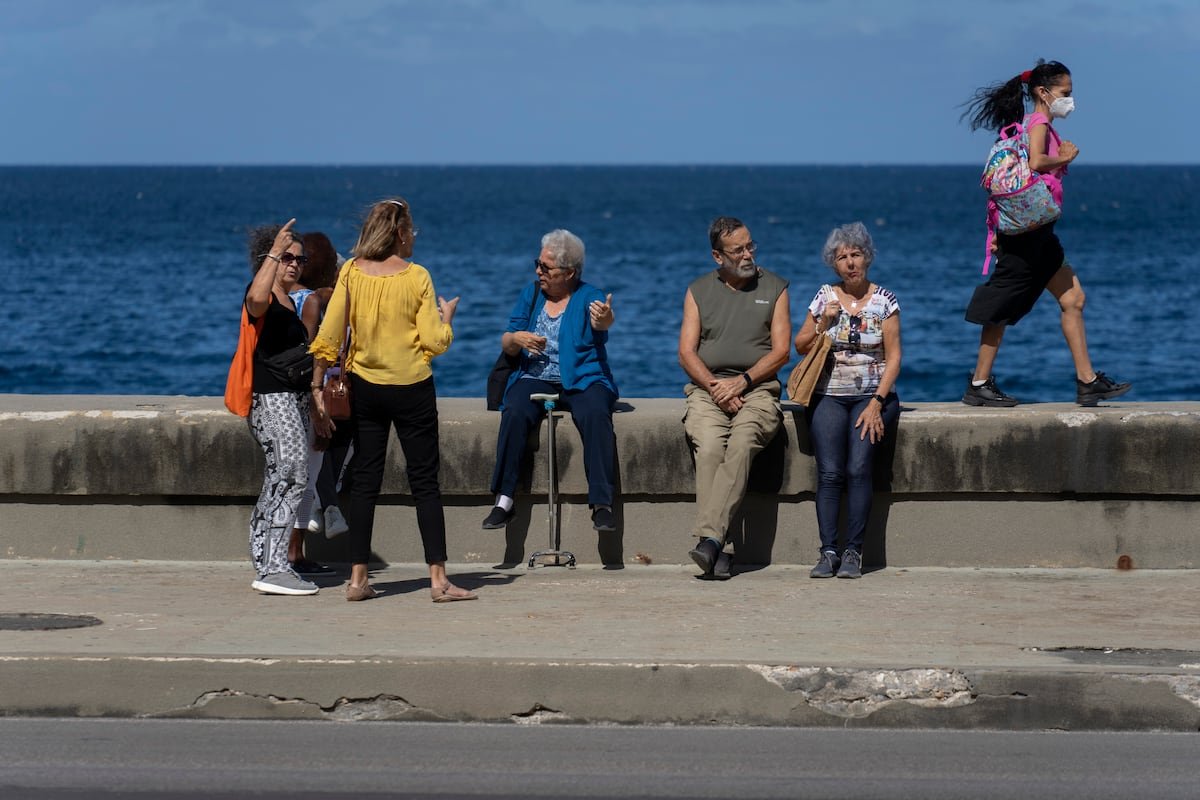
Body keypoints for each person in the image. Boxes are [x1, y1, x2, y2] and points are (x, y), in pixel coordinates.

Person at [309, 197, 476, 602]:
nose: (414, 237)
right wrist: (448, 320)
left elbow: (329, 335)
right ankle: (438, 580)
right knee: (424, 482)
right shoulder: (417, 277)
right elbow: (434, 342)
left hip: (366, 388)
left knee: (365, 480)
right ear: (400, 233)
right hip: (413, 387)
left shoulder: (351, 272)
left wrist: (316, 387)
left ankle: (358, 579)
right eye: (411, 231)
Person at [961, 59, 1130, 407]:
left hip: (1041, 236)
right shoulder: (1038, 123)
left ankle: (1087, 381)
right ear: (1043, 92)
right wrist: (1065, 157)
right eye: (1065, 92)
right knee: (1000, 308)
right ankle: (978, 384)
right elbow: (1036, 162)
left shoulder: (1037, 124)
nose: (1070, 99)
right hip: (1026, 240)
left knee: (1073, 299)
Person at [482, 230, 619, 533]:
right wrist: (517, 339)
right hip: (535, 376)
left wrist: (604, 319)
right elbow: (507, 340)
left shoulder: (590, 296)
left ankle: (602, 504)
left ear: (569, 272)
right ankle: (504, 500)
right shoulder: (531, 294)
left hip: (583, 378)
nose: (538, 271)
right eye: (538, 263)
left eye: (546, 267)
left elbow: (602, 322)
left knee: (596, 414)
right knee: (514, 411)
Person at [678, 217, 791, 579]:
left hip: (758, 389)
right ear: (718, 256)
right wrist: (716, 387)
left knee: (741, 443)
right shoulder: (698, 291)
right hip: (708, 390)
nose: (748, 255)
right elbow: (686, 353)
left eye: (750, 246)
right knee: (710, 447)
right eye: (738, 250)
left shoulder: (775, 288)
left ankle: (710, 540)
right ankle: (719, 550)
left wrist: (742, 382)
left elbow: (781, 352)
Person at [793, 223, 901, 579]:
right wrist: (823, 322)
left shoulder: (885, 301)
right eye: (842, 257)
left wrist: (877, 403)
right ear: (834, 263)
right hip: (829, 395)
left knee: (858, 468)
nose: (850, 263)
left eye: (856, 255)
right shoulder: (824, 297)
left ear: (867, 257)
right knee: (829, 472)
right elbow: (800, 345)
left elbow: (894, 357)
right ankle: (828, 552)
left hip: (871, 397)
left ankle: (854, 551)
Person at [243, 219, 319, 596]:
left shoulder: (289, 302)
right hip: (273, 401)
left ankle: (265, 559)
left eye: (299, 260)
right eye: (287, 258)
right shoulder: (264, 295)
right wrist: (273, 252)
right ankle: (274, 568)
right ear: (268, 259)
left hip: (294, 401)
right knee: (291, 475)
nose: (294, 265)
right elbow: (255, 302)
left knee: (280, 479)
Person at [296, 232, 351, 544]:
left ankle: (321, 507)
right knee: (323, 446)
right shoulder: (320, 303)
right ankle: (326, 506)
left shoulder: (312, 300)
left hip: (324, 387)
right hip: (329, 387)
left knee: (319, 449)